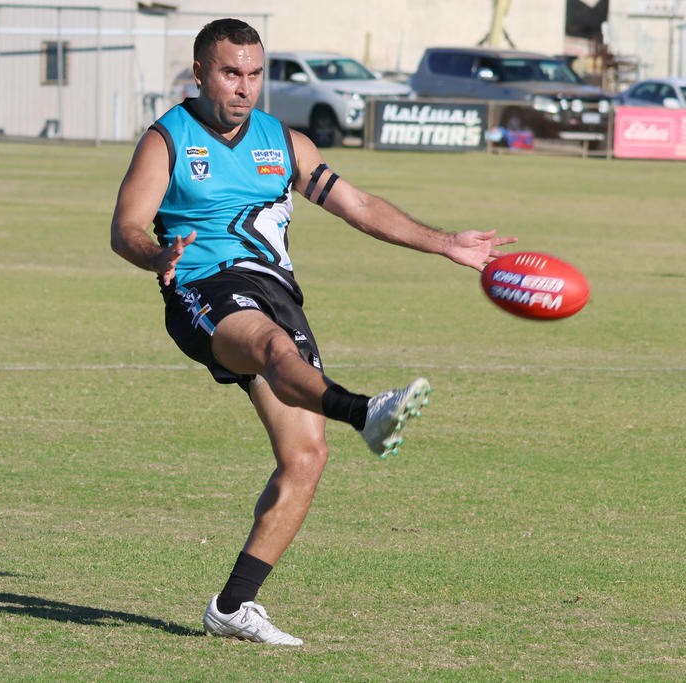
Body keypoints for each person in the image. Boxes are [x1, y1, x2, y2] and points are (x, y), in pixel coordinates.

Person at [110, 18, 516, 646]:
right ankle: (366, 411)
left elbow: (356, 205)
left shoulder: (283, 141)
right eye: (229, 73)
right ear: (199, 74)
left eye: (253, 73)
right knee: (271, 349)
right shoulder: (167, 141)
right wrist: (155, 256)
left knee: (305, 458)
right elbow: (127, 227)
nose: (244, 87)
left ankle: (232, 606)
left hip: (276, 294)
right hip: (202, 286)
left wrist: (445, 244)